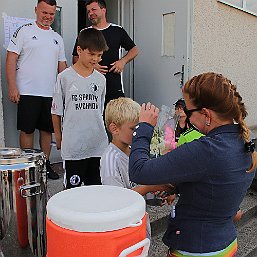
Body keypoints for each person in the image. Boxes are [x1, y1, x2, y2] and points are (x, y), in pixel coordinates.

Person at [129, 72, 257, 256]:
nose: (187, 118)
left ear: (206, 114)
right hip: (226, 243)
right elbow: (216, 183)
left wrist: (144, 127)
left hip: (196, 249)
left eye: (188, 111)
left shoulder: (206, 150)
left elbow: (138, 171)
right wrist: (179, 185)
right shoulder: (244, 140)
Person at [6, 0, 67, 180]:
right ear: (36, 10)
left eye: (51, 13)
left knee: (47, 131)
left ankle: (44, 165)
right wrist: (12, 86)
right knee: (27, 130)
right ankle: (28, 166)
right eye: (44, 12)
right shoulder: (24, 32)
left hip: (50, 94)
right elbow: (11, 59)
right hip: (27, 91)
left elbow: (62, 67)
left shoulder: (57, 38)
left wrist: (65, 92)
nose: (48, 17)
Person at [100, 97, 175, 239]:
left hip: (140, 224)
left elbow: (140, 187)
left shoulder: (135, 151)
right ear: (114, 128)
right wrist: (150, 187)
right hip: (125, 230)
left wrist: (160, 192)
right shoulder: (110, 159)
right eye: (134, 128)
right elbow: (117, 200)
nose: (138, 132)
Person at [51, 28, 109, 189]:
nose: (96, 59)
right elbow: (56, 111)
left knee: (96, 189)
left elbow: (100, 110)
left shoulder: (101, 80)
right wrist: (59, 137)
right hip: (74, 147)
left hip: (97, 145)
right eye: (92, 54)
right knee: (72, 191)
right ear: (79, 50)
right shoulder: (64, 78)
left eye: (99, 55)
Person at [72, 0, 139, 107]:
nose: (91, 13)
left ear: (104, 10)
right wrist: (92, 66)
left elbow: (134, 49)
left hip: (114, 85)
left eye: (94, 9)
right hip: (90, 86)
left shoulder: (117, 30)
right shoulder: (84, 33)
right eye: (88, 11)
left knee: (117, 119)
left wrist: (122, 62)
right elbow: (76, 58)